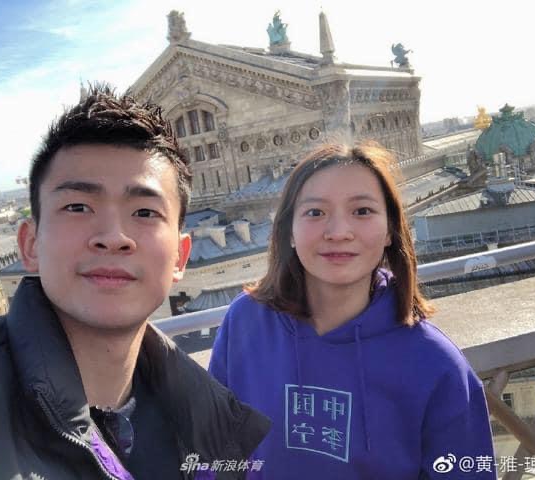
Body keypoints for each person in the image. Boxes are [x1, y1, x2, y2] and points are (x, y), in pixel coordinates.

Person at [0, 83, 270, 480]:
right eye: (78, 206)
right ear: (30, 244)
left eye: (145, 212)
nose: (113, 237)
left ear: (180, 257)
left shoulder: (221, 426)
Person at [209, 142, 496, 479]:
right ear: (288, 232)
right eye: (315, 213)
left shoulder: (435, 364)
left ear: (390, 230)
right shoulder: (246, 323)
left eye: (362, 211)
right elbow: (212, 450)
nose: (339, 233)